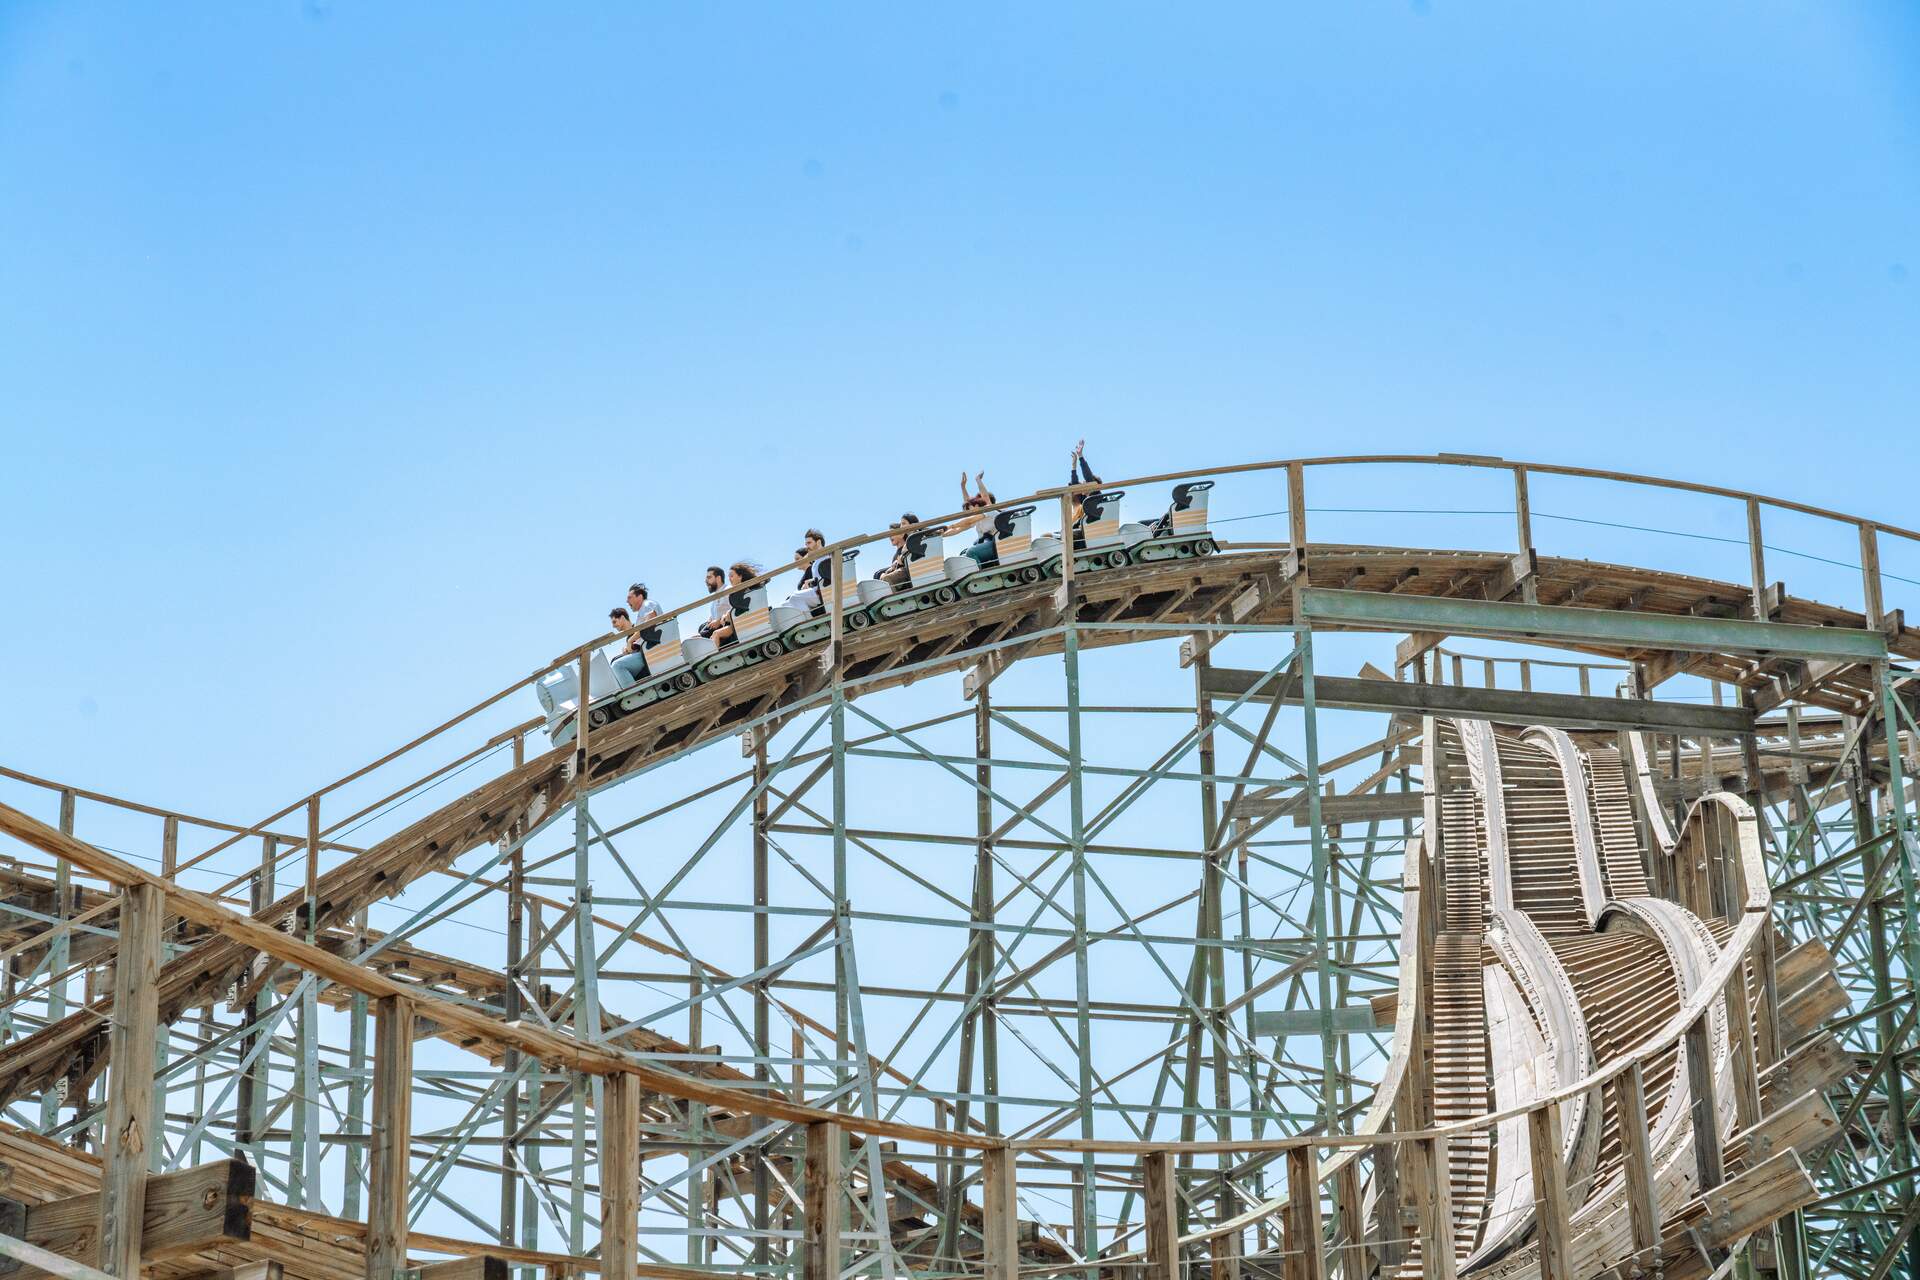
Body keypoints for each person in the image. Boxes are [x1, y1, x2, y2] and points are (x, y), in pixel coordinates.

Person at [950, 471, 999, 566]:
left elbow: (984, 498)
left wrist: (978, 480)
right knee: (964, 554)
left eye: (979, 500)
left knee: (971, 552)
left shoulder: (989, 510)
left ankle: (980, 571)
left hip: (994, 543)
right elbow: (969, 504)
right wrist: (963, 487)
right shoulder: (978, 518)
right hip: (985, 542)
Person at [706, 562, 758, 646]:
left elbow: (742, 608)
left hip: (740, 623)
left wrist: (728, 615)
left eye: (732, 576)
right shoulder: (741, 591)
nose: (729, 579)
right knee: (712, 635)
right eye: (729, 576)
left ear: (740, 576)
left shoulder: (742, 591)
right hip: (737, 622)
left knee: (716, 634)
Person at [783, 529, 831, 612]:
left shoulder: (826, 557)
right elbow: (819, 578)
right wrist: (809, 582)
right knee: (786, 604)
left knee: (794, 597)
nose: (807, 547)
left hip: (822, 593)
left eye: (809, 543)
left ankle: (811, 618)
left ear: (818, 542)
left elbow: (827, 577)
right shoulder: (817, 560)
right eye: (806, 544)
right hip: (816, 592)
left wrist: (810, 583)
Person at [873, 515, 916, 588]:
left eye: (892, 533)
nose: (890, 536)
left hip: (907, 575)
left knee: (885, 578)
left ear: (902, 534)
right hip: (898, 574)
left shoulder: (907, 547)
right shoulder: (896, 554)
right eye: (889, 535)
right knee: (877, 574)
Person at [697, 565, 728, 638]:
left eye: (709, 577)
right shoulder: (716, 597)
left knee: (695, 639)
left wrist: (719, 621)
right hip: (715, 630)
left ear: (718, 578)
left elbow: (733, 610)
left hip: (723, 629)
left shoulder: (728, 590)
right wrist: (711, 619)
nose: (706, 581)